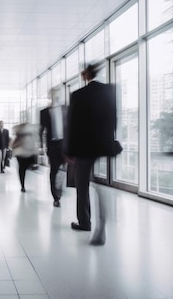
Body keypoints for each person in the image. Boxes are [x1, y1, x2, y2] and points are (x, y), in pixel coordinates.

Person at [66, 64, 117, 245]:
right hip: (104, 146)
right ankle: (101, 226)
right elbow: (113, 119)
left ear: (86, 74)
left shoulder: (78, 95)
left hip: (84, 148)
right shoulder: (109, 91)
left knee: (82, 186)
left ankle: (85, 222)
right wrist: (109, 141)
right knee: (102, 187)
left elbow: (73, 126)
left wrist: (69, 151)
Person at [40, 92, 67, 207]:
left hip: (64, 145)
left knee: (62, 171)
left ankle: (59, 191)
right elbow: (41, 130)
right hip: (52, 146)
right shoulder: (44, 112)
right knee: (54, 171)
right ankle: (55, 197)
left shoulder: (65, 109)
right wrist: (42, 146)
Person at [11, 123, 39, 192]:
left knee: (22, 170)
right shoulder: (27, 134)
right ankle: (22, 185)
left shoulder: (23, 134)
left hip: (23, 154)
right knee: (22, 170)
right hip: (22, 154)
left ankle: (22, 185)